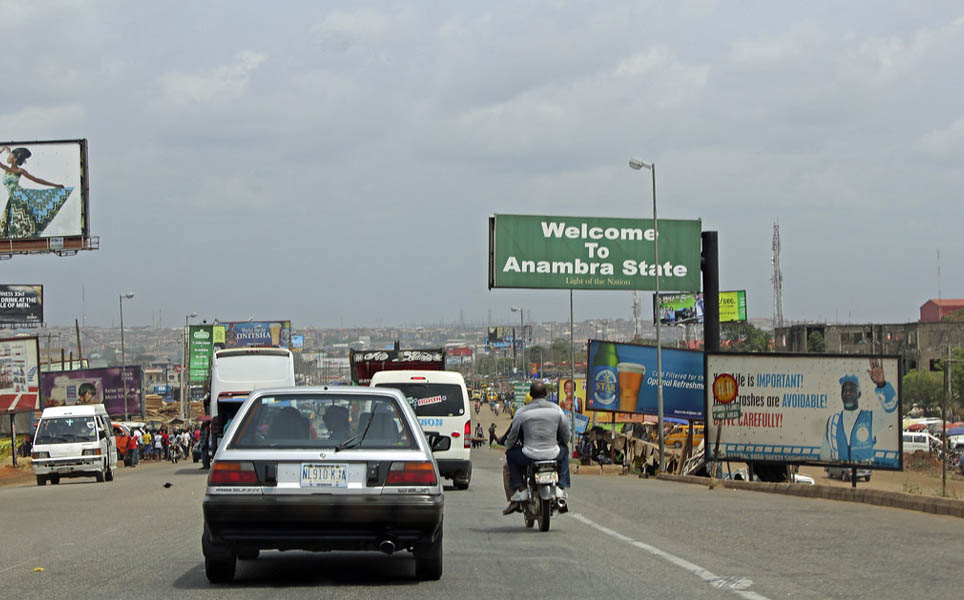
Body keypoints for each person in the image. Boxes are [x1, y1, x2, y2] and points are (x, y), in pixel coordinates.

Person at [502, 381, 571, 515]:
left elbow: (512, 436)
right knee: (565, 451)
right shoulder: (557, 409)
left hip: (529, 455)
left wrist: (508, 446)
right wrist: (561, 442)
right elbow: (566, 435)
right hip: (553, 453)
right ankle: (561, 485)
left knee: (510, 454)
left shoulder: (521, 412)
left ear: (531, 395)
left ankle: (520, 488)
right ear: (546, 394)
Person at [820, 358, 898, 466]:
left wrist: (882, 385)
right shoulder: (832, 421)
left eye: (852, 390)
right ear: (841, 394)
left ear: (859, 394)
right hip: (841, 475)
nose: (848, 393)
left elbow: (891, 409)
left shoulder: (870, 418)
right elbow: (824, 453)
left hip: (864, 473)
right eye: (845, 390)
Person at [0, 146, 73, 239]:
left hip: (18, 196)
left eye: (10, 155)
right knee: (9, 221)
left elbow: (37, 180)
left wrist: (55, 185)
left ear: (15, 159)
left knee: (20, 221)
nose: (8, 157)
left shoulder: (19, 171)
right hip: (13, 198)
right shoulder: (7, 168)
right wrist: (3, 148)